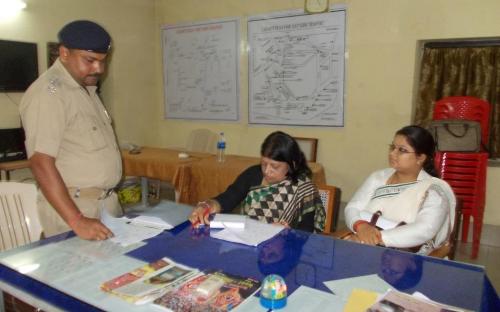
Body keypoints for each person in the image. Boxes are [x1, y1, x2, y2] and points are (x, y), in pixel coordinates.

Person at [19, 20, 122, 240]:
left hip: (103, 205)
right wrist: (77, 220)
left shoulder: (85, 90)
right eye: (90, 60)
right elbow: (40, 162)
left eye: (103, 61)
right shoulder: (49, 94)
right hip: (76, 210)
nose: (99, 69)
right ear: (64, 53)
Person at [344, 125, 456, 255]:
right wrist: (360, 226)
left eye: (402, 150)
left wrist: (376, 237)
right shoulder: (378, 177)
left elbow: (424, 230)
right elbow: (352, 208)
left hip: (407, 258)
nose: (392, 153)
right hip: (365, 244)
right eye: (392, 147)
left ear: (421, 158)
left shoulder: (433, 191)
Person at [189, 131, 325, 233]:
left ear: (292, 164)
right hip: (248, 240)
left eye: (275, 166)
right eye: (264, 164)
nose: (267, 171)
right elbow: (228, 197)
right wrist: (208, 205)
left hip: (284, 250)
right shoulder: (253, 174)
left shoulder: (304, 189)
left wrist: (288, 232)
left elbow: (306, 233)